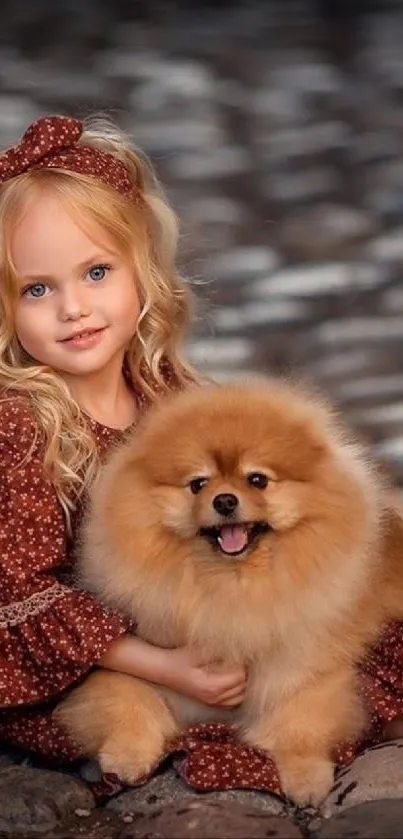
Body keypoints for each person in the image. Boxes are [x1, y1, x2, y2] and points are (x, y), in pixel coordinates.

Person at [0, 114, 246, 764]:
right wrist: (169, 667)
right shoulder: (21, 423)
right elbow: (21, 591)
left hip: (175, 621)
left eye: (96, 272)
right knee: (207, 726)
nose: (73, 307)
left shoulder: (164, 385)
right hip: (73, 667)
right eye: (37, 289)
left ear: (139, 266)